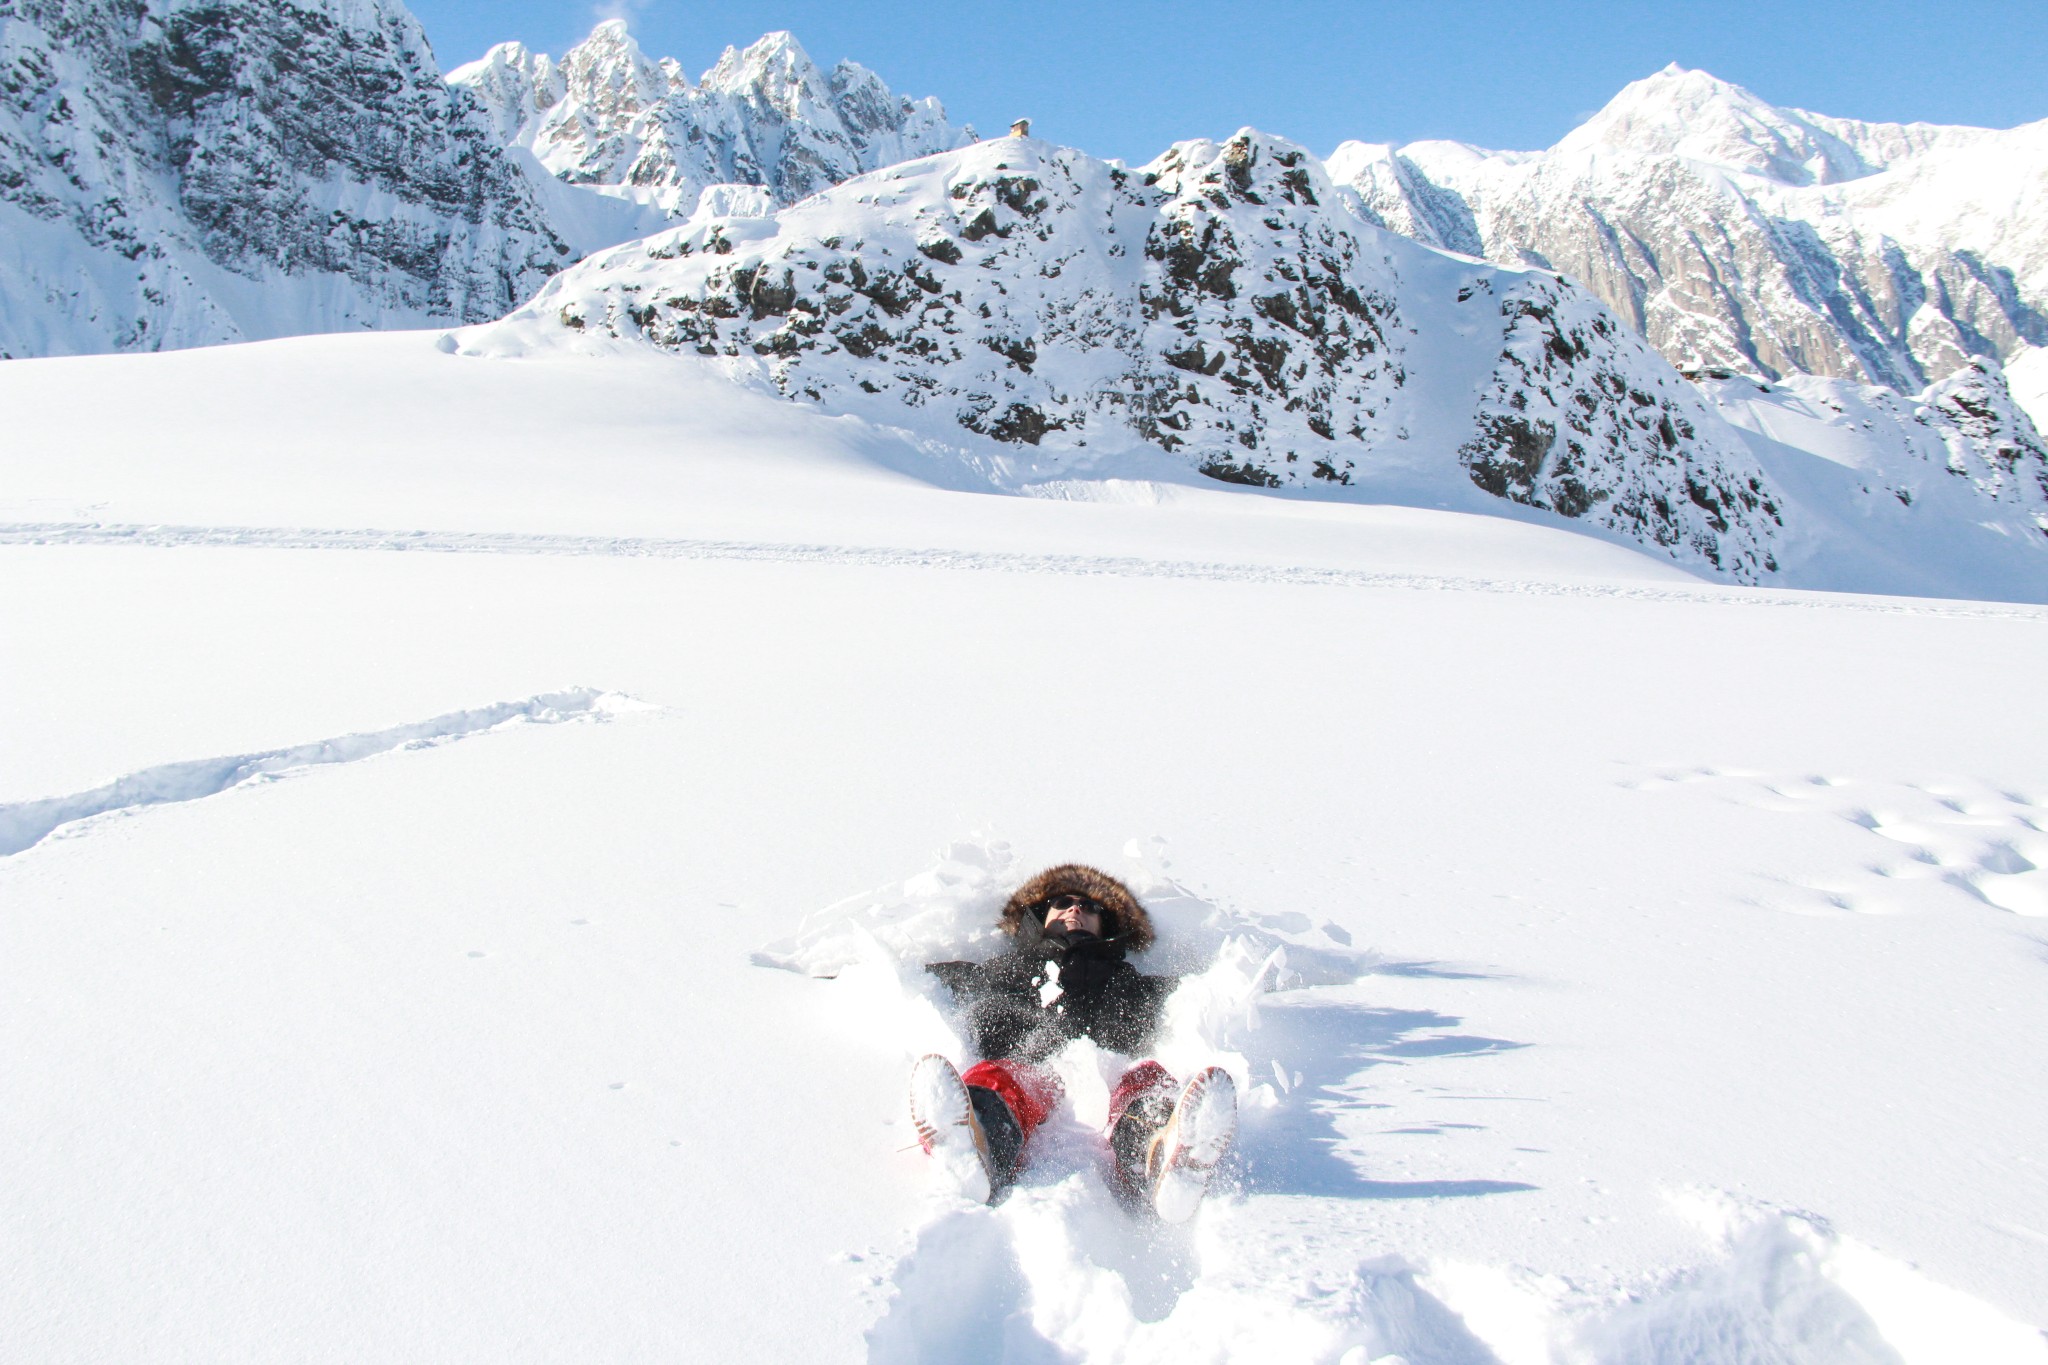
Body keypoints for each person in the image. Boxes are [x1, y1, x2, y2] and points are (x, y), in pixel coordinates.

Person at [909, 863, 1238, 1222]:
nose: (1076, 908)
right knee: (998, 1077)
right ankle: (975, 1140)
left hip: (1107, 1076)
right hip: (1029, 1072)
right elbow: (917, 980)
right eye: (1062, 901)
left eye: (1091, 906)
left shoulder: (1127, 981)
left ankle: (1163, 1150)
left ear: (1104, 924)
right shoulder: (1001, 970)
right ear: (1040, 914)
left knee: (1145, 1075)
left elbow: (1197, 996)